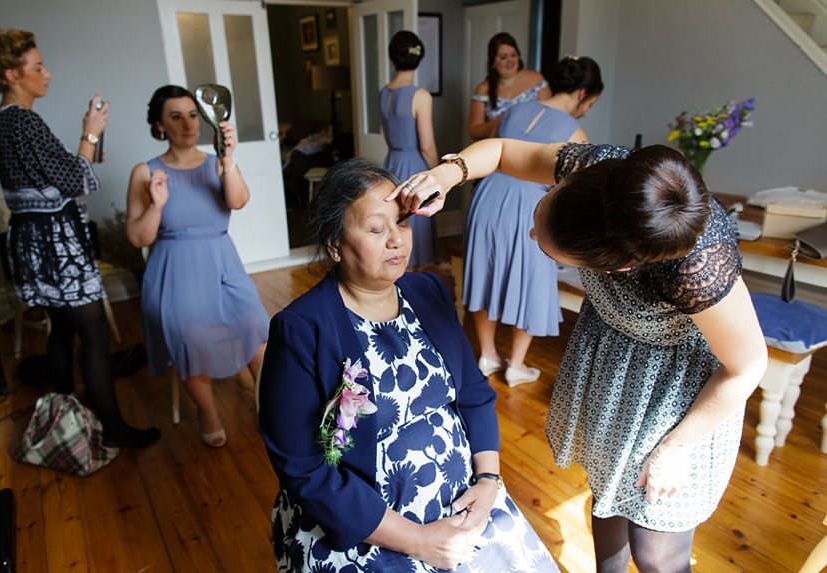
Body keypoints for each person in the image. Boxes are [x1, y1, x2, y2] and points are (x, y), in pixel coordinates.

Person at [392, 140, 768, 572]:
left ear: (615, 268)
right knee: (606, 494)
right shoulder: (601, 175)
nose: (533, 235)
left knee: (655, 544)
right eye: (542, 214)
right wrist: (446, 174)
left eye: (546, 246)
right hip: (613, 355)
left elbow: (747, 365)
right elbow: (500, 152)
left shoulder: (696, 268)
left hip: (683, 389)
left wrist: (676, 448)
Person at [258, 158, 559, 572]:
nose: (396, 240)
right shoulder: (300, 329)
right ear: (334, 244)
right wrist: (417, 540)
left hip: (465, 500)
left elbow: (473, 394)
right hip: (365, 522)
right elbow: (304, 469)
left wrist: (489, 480)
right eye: (377, 229)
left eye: (401, 223)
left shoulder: (428, 290)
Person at [0, 26, 159, 448]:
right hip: (56, 243)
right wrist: (90, 133)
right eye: (38, 67)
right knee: (93, 332)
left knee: (62, 326)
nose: (48, 74)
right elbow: (76, 180)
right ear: (11, 74)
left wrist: (86, 143)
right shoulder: (22, 121)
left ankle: (62, 410)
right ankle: (111, 427)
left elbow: (57, 175)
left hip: (33, 239)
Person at [125, 85, 269, 448]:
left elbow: (238, 201)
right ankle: (207, 411)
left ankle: (268, 405)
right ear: (160, 125)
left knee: (255, 324)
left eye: (193, 114)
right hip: (174, 268)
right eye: (176, 116)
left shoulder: (215, 163)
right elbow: (138, 238)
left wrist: (229, 161)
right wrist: (156, 205)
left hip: (222, 261)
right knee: (189, 334)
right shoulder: (146, 171)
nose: (188, 124)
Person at [463, 55, 603, 387]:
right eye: (592, 102)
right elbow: (573, 189)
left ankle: (486, 355)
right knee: (528, 280)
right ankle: (517, 365)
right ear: (583, 93)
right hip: (529, 205)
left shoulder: (512, 110)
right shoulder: (576, 132)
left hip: (487, 196)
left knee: (486, 272)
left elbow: (493, 148)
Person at [380, 30, 439, 266]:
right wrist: (438, 176)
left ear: (392, 59)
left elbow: (387, 134)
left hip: (391, 162)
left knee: (397, 222)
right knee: (418, 225)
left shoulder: (383, 93)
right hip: (415, 165)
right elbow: (427, 145)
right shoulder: (420, 95)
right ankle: (418, 276)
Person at [467, 32, 551, 141]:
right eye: (503, 57)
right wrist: (498, 123)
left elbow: (550, 116)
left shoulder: (536, 79)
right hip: (499, 150)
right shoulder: (483, 90)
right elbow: (473, 131)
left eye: (513, 55)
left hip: (535, 146)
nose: (510, 61)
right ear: (493, 62)